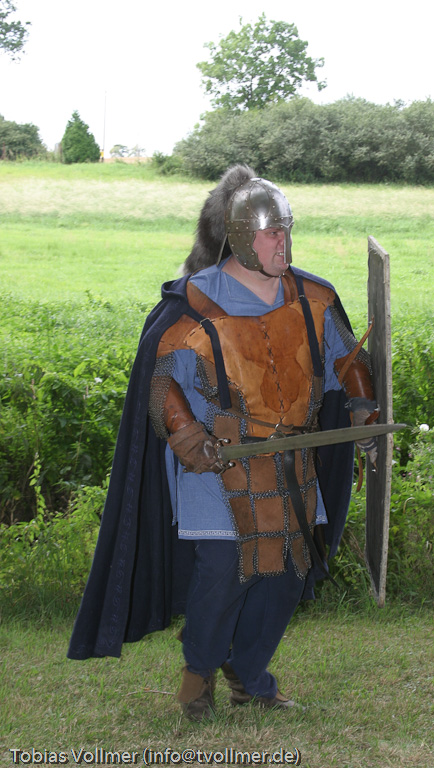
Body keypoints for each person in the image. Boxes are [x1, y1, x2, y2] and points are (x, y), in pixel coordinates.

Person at [67, 165, 378, 722]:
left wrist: (363, 408)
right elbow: (162, 379)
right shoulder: (195, 304)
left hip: (292, 460)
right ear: (239, 237)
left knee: (289, 570)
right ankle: (198, 677)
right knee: (224, 570)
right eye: (270, 233)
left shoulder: (313, 297)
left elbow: (346, 358)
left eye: (285, 230)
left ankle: (249, 675)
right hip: (219, 463)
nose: (282, 243)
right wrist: (187, 434)